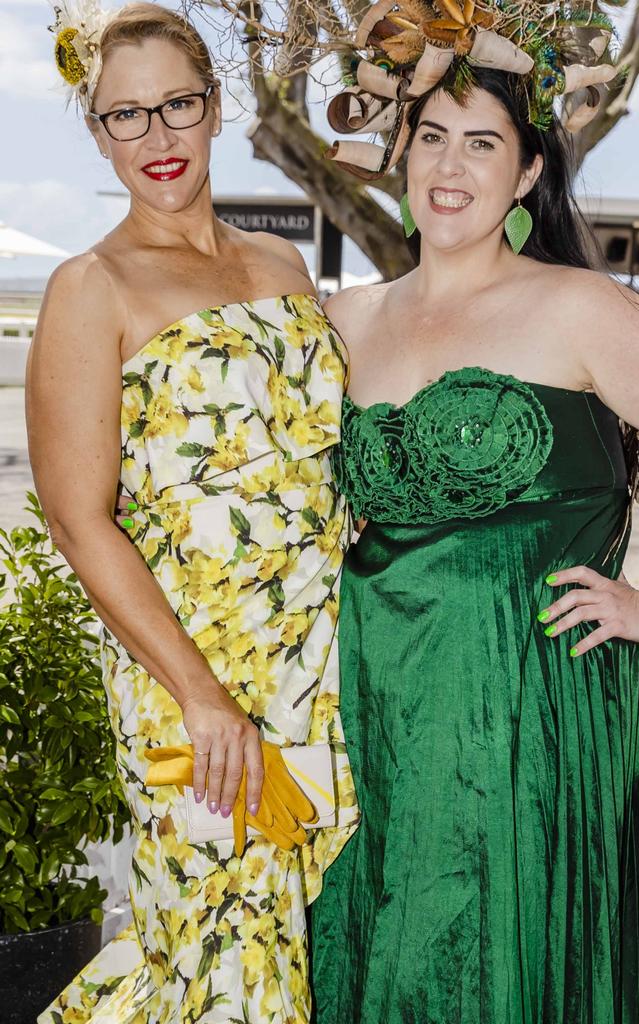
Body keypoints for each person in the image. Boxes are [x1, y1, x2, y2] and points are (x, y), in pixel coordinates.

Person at [308, 13, 639, 1024]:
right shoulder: (346, 320)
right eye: (431, 136)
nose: (450, 165)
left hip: (530, 719)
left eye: (483, 143)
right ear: (399, 149)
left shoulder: (578, 310)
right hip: (378, 712)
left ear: (524, 177)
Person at [27, 4, 356, 1021]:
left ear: (216, 107)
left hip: (330, 677)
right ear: (96, 131)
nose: (157, 138)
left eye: (176, 104)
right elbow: (82, 521)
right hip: (198, 695)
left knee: (304, 963)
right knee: (210, 960)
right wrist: (204, 697)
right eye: (127, 116)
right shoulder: (91, 287)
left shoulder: (285, 269)